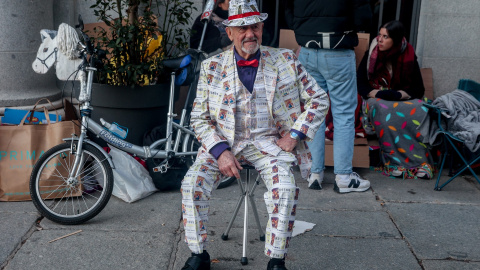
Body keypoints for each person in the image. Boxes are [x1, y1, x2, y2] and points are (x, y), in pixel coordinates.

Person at [180, 0, 329, 269]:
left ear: (262, 28)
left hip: (269, 143)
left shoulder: (286, 60)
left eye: (255, 27)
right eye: (242, 28)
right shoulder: (212, 67)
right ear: (230, 32)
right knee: (192, 184)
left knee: (286, 188)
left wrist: (294, 135)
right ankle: (198, 254)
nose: (250, 34)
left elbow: (319, 99)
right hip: (223, 144)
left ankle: (276, 259)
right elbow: (199, 118)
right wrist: (220, 152)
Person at [285, 0, 372, 193]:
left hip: (307, 50)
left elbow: (288, 11)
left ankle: (314, 173)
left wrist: (306, 29)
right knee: (343, 114)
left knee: (313, 112)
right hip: (338, 51)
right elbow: (363, 18)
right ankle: (343, 176)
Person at [357, 20, 434, 179]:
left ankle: (421, 163)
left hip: (401, 97)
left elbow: (418, 89)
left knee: (422, 109)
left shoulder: (408, 55)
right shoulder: (372, 53)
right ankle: (394, 162)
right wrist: (379, 94)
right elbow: (360, 85)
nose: (380, 40)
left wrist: (398, 95)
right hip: (375, 98)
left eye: (385, 37)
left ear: (396, 39)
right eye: (380, 35)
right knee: (385, 110)